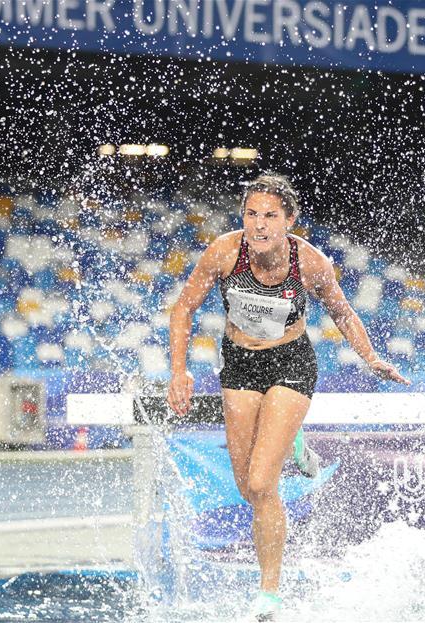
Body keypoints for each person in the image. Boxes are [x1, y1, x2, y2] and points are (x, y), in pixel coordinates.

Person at [167, 172, 408, 620]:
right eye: (251, 214)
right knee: (249, 489)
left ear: (290, 220)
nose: (259, 225)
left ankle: (269, 592)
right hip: (239, 365)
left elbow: (342, 311)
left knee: (262, 482)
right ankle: (292, 442)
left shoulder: (311, 262)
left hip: (290, 364)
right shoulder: (224, 252)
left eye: (270, 216)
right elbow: (183, 307)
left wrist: (371, 357)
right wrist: (178, 371)